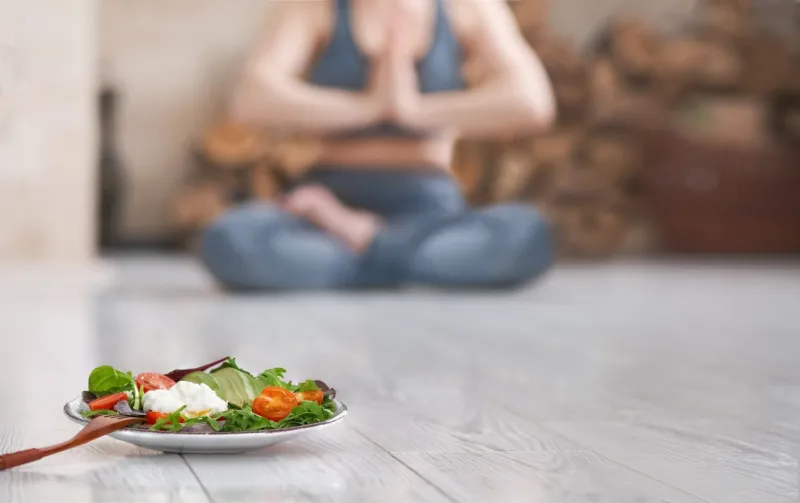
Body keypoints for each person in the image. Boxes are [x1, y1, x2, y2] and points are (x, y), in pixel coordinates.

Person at [201, 0, 557, 290]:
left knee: (528, 234)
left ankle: (366, 244)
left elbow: (532, 102)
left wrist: (414, 111)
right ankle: (406, 263)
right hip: (328, 205)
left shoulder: (468, 6)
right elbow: (252, 98)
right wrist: (371, 106)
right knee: (232, 239)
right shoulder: (315, 6)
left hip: (428, 212)